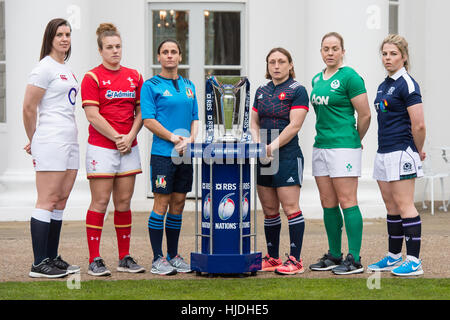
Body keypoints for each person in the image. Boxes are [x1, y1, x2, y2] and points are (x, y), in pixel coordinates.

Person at [81, 23, 145, 276]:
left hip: (129, 146)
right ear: (100, 50)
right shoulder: (92, 77)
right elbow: (92, 114)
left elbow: (141, 112)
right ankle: (94, 259)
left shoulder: (134, 76)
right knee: (99, 202)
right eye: (109, 47)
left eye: (118, 47)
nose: (115, 51)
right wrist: (117, 137)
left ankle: (124, 257)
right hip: (101, 148)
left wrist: (129, 136)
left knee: (123, 202)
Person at [308, 32, 371, 275]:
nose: (330, 52)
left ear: (343, 51)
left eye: (335, 48)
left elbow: (365, 115)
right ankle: (335, 255)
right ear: (321, 51)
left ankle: (354, 259)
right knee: (327, 203)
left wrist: (356, 139)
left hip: (343, 146)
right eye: (326, 48)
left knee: (348, 201)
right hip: (320, 145)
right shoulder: (316, 79)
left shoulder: (350, 77)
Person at [23, 18, 80, 278]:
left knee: (61, 200)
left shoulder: (66, 68)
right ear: (50, 38)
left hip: (69, 140)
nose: (65, 38)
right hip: (51, 140)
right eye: (59, 34)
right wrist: (35, 139)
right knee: (47, 199)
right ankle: (38, 264)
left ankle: (52, 257)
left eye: (67, 34)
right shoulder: (43, 68)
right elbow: (28, 108)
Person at [368, 34, 426, 276]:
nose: (388, 58)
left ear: (403, 56)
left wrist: (417, 149)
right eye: (384, 53)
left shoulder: (407, 84)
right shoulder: (384, 85)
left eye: (393, 54)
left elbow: (419, 124)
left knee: (405, 205)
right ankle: (393, 257)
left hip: (402, 151)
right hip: (383, 152)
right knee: (391, 206)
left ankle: (414, 261)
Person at [141, 39, 199, 275]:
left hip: (185, 155)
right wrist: (174, 138)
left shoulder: (189, 85)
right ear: (159, 57)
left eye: (173, 52)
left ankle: (173, 255)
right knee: (161, 203)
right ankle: (157, 259)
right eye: (165, 52)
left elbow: (195, 117)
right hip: (163, 154)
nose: (169, 56)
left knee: (178, 204)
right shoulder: (150, 85)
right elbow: (148, 120)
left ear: (180, 56)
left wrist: (191, 140)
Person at [250, 47, 309, 275]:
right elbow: (254, 122)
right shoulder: (261, 91)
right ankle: (273, 258)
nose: (276, 66)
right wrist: (259, 145)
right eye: (272, 62)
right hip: (264, 154)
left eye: (281, 61)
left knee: (290, 208)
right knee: (270, 210)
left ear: (290, 65)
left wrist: (271, 147)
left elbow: (294, 125)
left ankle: (295, 260)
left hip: (286, 155)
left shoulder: (298, 90)